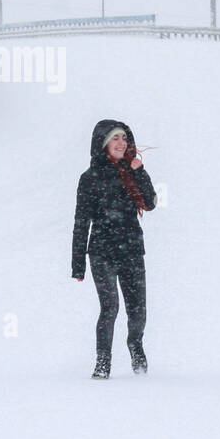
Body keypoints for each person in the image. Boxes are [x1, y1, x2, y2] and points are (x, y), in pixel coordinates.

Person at [72, 119, 157, 379]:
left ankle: (135, 344)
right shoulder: (89, 178)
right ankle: (103, 361)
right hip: (102, 252)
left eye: (124, 138)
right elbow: (80, 222)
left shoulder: (133, 171)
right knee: (109, 307)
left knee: (138, 310)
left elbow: (151, 202)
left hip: (131, 249)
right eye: (115, 138)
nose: (121, 143)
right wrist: (78, 264)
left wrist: (139, 171)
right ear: (103, 144)